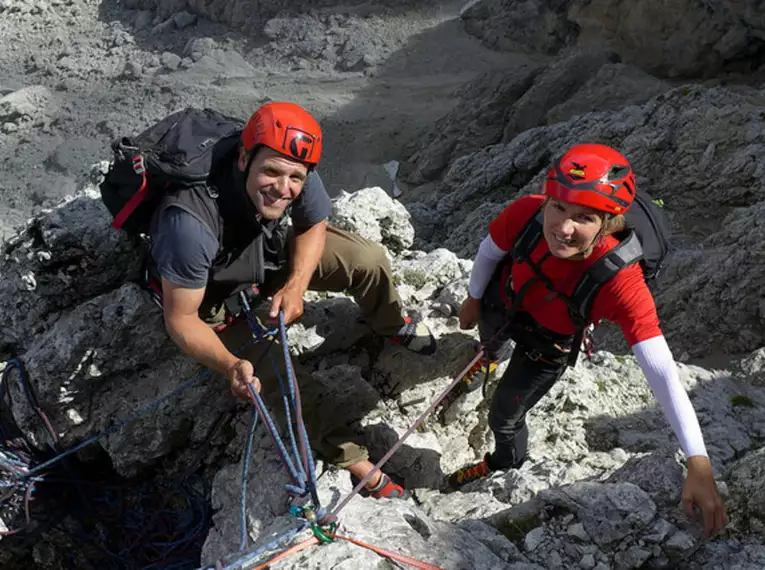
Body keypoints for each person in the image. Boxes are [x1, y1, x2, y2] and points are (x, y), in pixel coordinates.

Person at [150, 101, 436, 499]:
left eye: (294, 178)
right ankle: (354, 461)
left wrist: (296, 286)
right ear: (244, 158)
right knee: (282, 383)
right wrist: (231, 365)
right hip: (208, 297)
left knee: (367, 259)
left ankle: (390, 323)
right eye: (271, 172)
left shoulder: (291, 164)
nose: (283, 188)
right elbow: (180, 319)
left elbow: (312, 222)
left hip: (263, 255)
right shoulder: (190, 224)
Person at [446, 143, 727, 537]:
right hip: (504, 305)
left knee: (504, 416)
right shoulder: (528, 212)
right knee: (488, 344)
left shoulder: (619, 281)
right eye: (558, 207)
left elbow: (662, 370)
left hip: (547, 345)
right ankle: (489, 356)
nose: (563, 227)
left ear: (608, 222)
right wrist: (473, 301)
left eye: (584, 217)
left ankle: (504, 462)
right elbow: (490, 250)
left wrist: (698, 461)